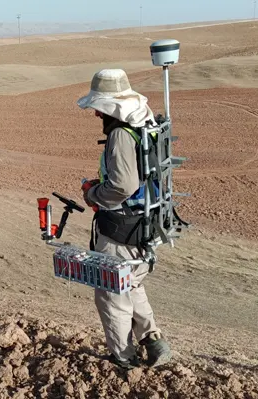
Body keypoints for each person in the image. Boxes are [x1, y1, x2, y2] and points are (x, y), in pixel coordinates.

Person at [76, 68, 172, 369]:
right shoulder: (145, 124)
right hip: (146, 223)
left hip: (120, 230)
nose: (97, 115)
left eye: (100, 109)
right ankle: (154, 341)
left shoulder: (120, 134)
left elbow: (123, 186)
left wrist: (93, 193)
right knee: (131, 283)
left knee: (111, 292)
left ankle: (123, 359)